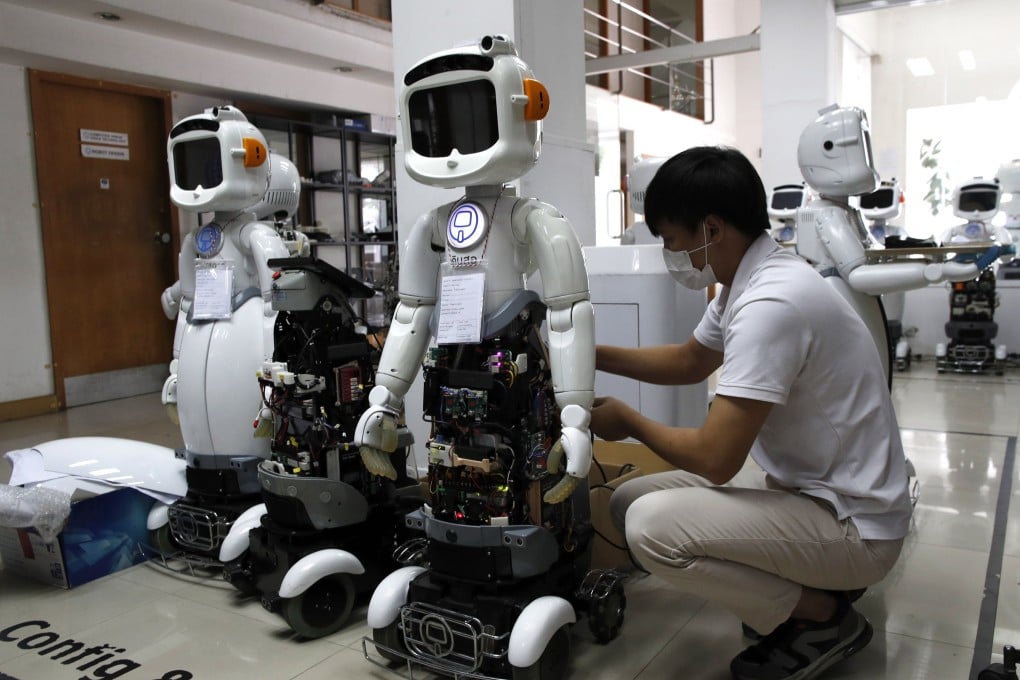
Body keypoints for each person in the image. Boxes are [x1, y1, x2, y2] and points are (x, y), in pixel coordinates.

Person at [590, 146, 911, 680]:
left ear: (711, 228)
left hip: (855, 524)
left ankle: (823, 615)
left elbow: (716, 459)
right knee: (628, 500)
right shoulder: (750, 278)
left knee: (651, 529)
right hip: (807, 489)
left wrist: (628, 422)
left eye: (673, 241)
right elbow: (692, 360)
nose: (674, 255)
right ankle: (801, 591)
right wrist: (590, 354)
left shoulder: (772, 304)